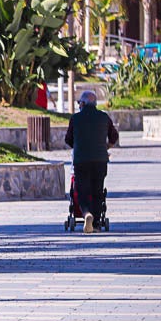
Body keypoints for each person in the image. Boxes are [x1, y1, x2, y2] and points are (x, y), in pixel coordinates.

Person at [65, 90, 119, 233]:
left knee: (81, 189)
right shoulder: (104, 117)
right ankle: (95, 223)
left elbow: (68, 140)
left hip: (81, 160)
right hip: (100, 159)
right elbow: (114, 136)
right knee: (97, 190)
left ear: (82, 103)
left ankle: (86, 213)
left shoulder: (75, 118)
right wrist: (106, 146)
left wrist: (79, 146)